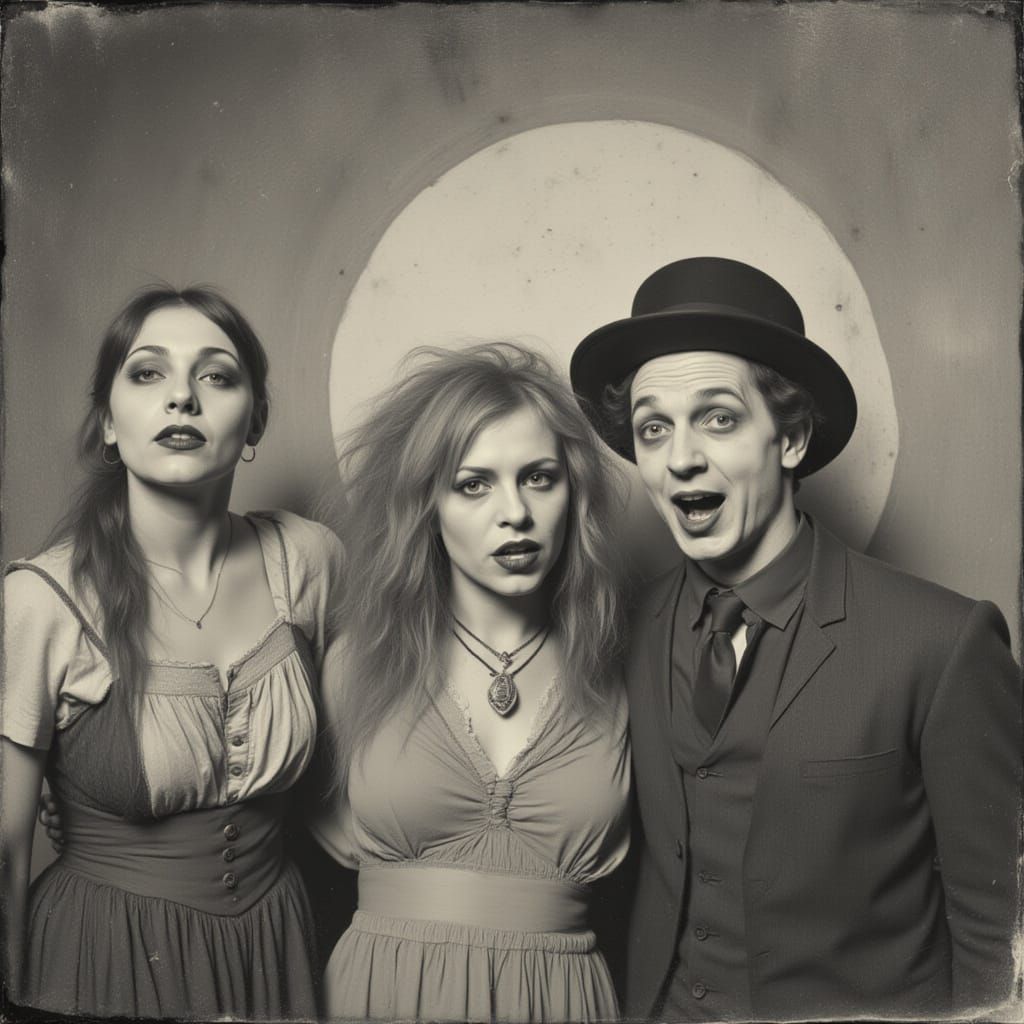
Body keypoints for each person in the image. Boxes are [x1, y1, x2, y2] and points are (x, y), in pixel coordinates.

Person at [570, 257, 1022, 1022]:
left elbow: (996, 938)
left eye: (718, 418)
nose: (681, 457)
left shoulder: (944, 642)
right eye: (654, 428)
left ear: (791, 438)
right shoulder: (629, 627)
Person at [1, 286, 342, 1019]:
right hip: (104, 955)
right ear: (108, 422)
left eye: (216, 375)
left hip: (275, 948)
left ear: (255, 420)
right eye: (148, 372)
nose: (182, 397)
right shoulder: (40, 599)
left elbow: (351, 774)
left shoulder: (308, 560)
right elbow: (5, 848)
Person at [307, 342, 630, 1023]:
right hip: (383, 997)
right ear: (425, 504)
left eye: (538, 478)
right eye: (473, 484)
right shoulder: (354, 665)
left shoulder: (622, 672)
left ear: (574, 494)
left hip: (564, 1001)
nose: (514, 512)